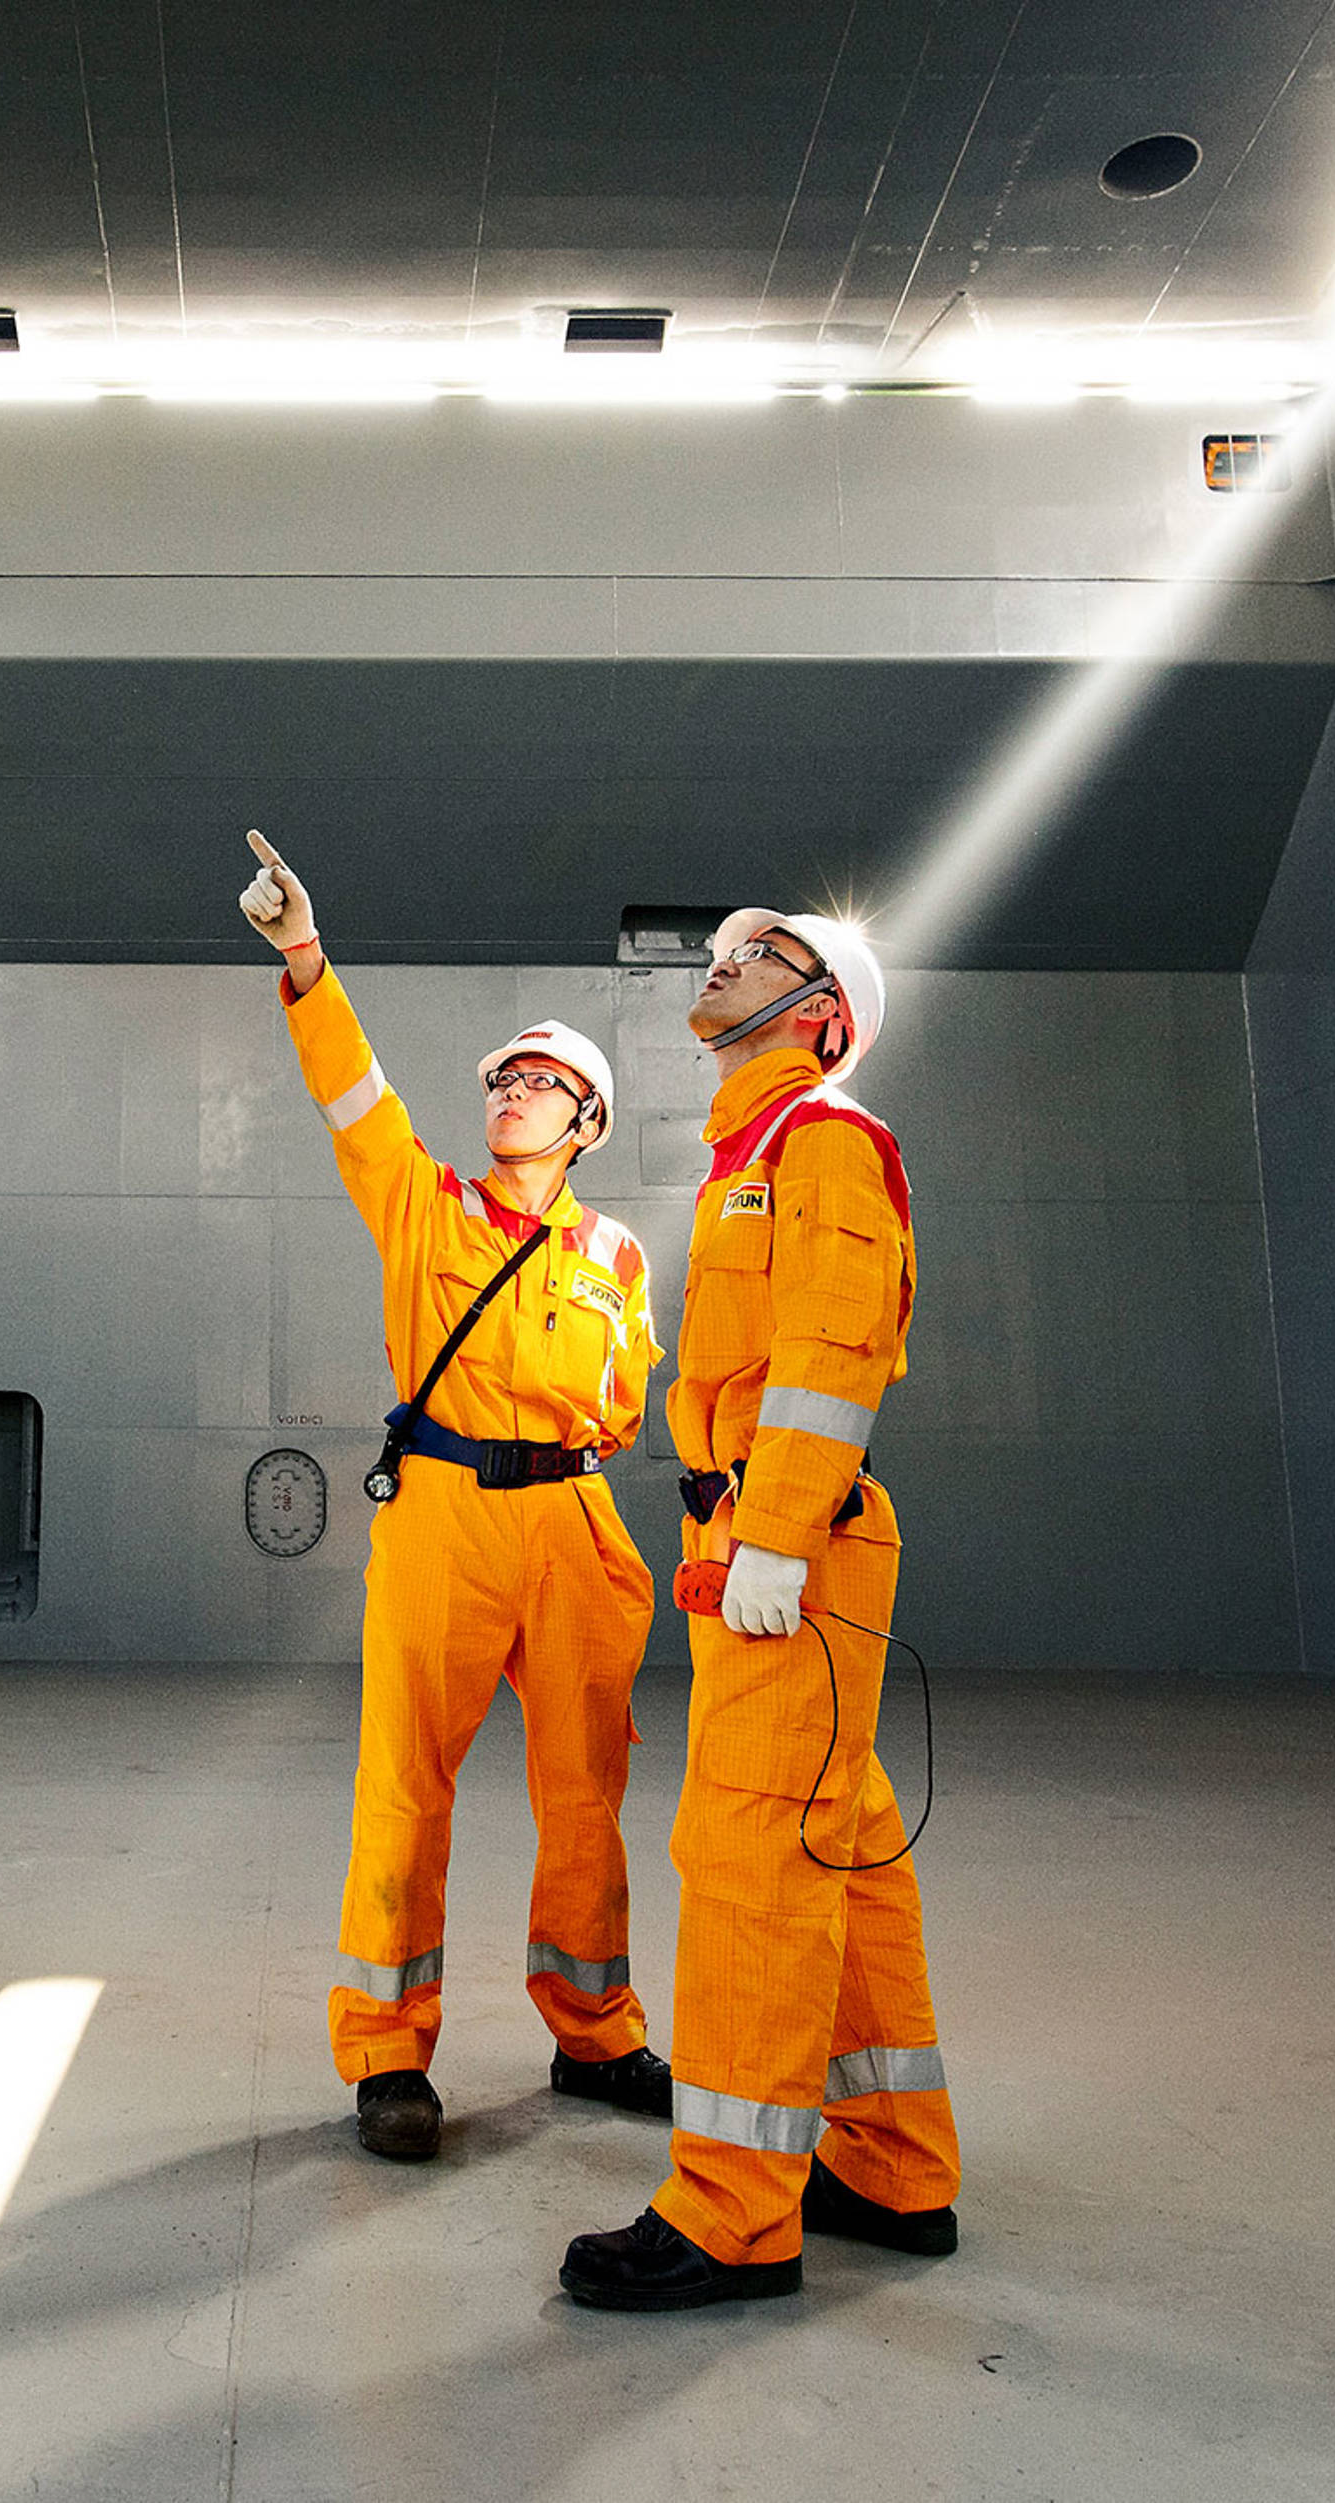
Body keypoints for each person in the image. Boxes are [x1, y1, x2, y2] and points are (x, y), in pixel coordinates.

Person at [238, 831, 669, 2161]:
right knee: (404, 1785)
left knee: (586, 1790)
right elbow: (355, 1099)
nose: (510, 1097)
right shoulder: (424, 1209)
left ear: (586, 1124)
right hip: (444, 1514)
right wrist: (306, 959)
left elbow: (627, 1400)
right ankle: (385, 2053)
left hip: (575, 1522)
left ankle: (594, 2032)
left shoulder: (619, 1257)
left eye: (540, 1085)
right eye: (502, 1082)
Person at [560, 910, 961, 2309]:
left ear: (823, 1014)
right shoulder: (749, 1155)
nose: (721, 957)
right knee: (837, 1848)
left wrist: (776, 1537)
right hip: (752, 1539)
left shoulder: (823, 1141)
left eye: (762, 950)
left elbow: (833, 1347)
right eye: (724, 943)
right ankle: (893, 2165)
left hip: (789, 1548)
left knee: (745, 1865)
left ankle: (732, 2214)